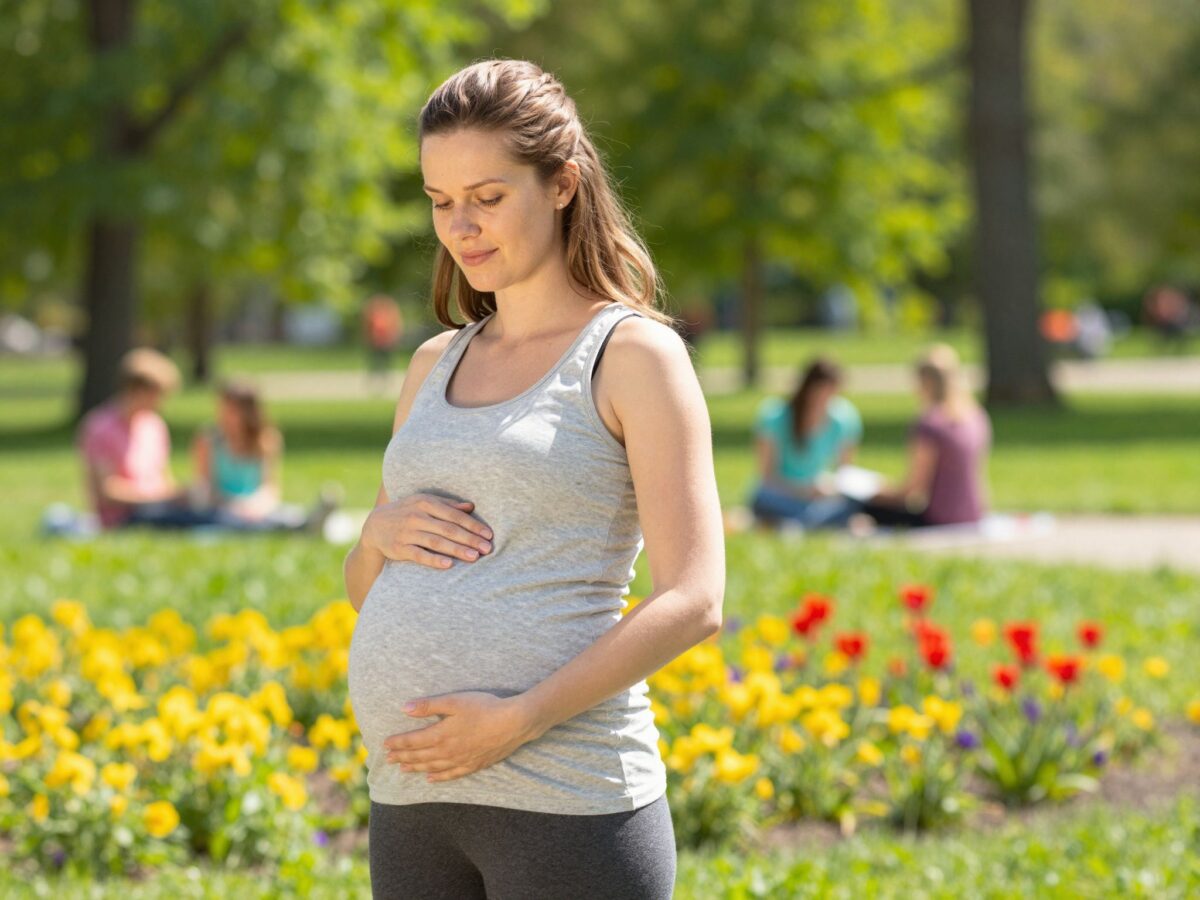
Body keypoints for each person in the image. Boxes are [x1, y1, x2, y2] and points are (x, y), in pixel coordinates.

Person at [342, 59, 725, 900]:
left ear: (561, 184)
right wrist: (375, 535)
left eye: (487, 196)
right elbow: (365, 586)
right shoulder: (432, 363)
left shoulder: (632, 357)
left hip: (567, 804)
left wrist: (516, 720)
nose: (461, 227)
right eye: (441, 202)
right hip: (413, 797)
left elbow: (695, 599)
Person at [76, 347, 214, 530]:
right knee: (207, 521)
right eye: (159, 395)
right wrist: (163, 496)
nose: (161, 403)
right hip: (123, 518)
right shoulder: (100, 427)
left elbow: (163, 480)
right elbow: (108, 494)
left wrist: (180, 494)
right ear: (137, 390)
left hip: (159, 509)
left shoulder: (154, 425)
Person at [859, 344, 992, 528]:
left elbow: (914, 490)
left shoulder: (930, 424)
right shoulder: (976, 416)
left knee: (866, 509)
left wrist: (878, 494)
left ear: (925, 382)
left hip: (941, 518)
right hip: (974, 513)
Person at [190, 381, 334, 533]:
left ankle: (305, 522)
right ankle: (299, 527)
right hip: (221, 507)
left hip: (257, 506)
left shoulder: (267, 440)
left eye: (233, 410)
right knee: (226, 520)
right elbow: (204, 487)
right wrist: (236, 506)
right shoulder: (208, 440)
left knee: (284, 514)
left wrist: (256, 505)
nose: (225, 415)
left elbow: (270, 487)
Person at [748, 357, 863, 529]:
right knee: (767, 499)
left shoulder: (843, 419)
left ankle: (795, 524)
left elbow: (844, 473)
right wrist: (803, 491)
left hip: (815, 495)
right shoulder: (775, 416)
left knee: (848, 504)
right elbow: (767, 477)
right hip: (779, 493)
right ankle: (805, 523)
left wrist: (828, 488)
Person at [362, 294, 404, 387]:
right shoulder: (374, 313)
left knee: (386, 361)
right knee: (375, 361)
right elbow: (368, 327)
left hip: (386, 341)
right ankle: (374, 379)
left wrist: (394, 337)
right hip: (376, 341)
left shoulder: (389, 313)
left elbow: (395, 326)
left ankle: (385, 379)